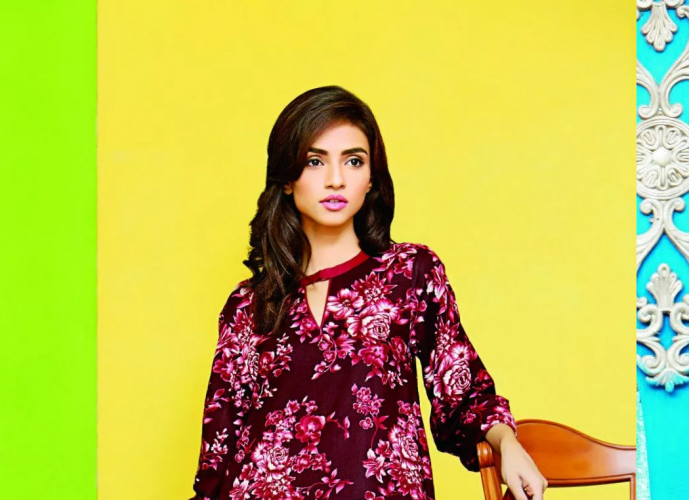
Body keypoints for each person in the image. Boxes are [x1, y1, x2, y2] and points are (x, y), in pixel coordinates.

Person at [188, 86, 547, 500]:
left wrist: (507, 444)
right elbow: (218, 451)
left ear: (371, 178)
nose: (336, 179)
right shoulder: (247, 305)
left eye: (353, 161)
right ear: (286, 178)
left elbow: (463, 396)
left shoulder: (410, 273)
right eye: (315, 161)